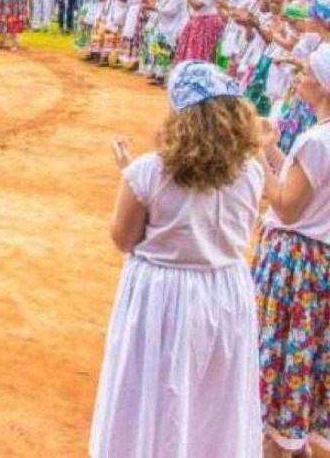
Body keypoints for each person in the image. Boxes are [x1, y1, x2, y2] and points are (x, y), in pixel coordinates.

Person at [89, 61, 263, 457]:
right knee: (216, 398)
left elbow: (123, 237)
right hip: (226, 291)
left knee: (155, 390)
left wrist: (128, 174)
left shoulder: (151, 170)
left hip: (164, 295)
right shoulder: (250, 172)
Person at [255, 43, 330, 457]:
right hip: (320, 259)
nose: (299, 78)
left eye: (307, 74)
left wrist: (255, 156)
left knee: (281, 352)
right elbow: (304, 182)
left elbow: (285, 203)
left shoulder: (317, 140)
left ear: (322, 86)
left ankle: (279, 441)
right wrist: (270, 147)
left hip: (295, 262)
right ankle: (296, 434)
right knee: (307, 353)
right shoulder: (320, 140)